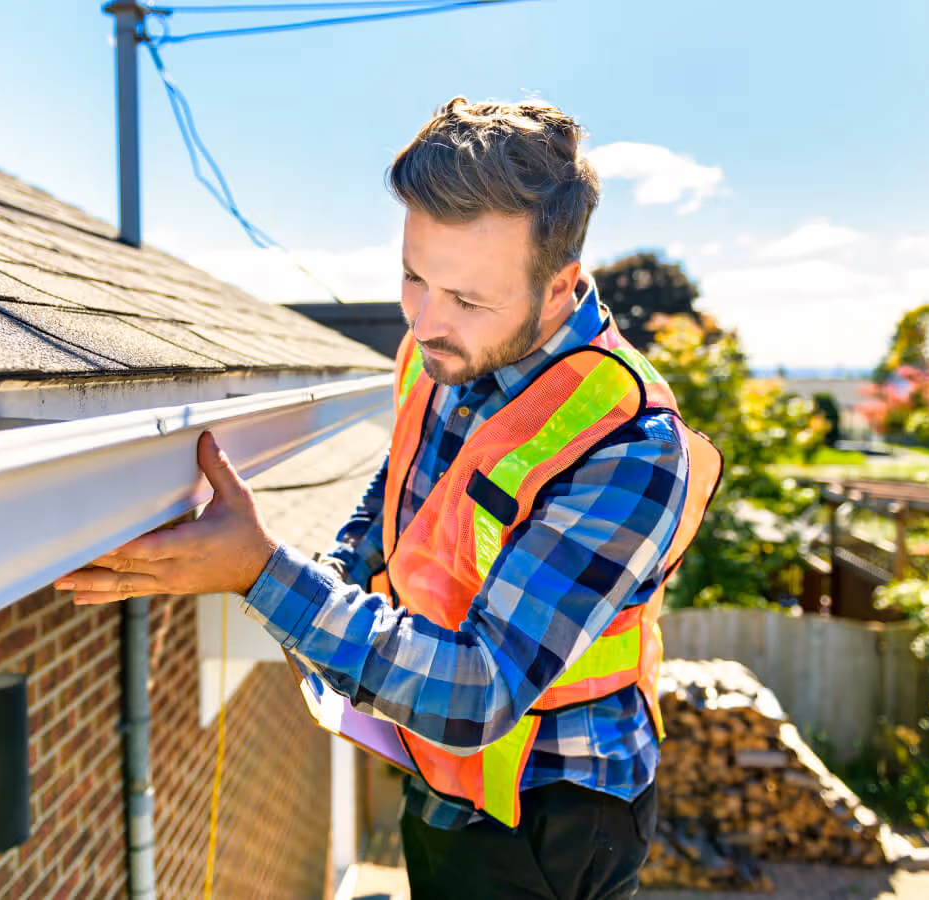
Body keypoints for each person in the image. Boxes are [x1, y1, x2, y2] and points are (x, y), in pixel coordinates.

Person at [56, 96, 720, 900]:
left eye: (468, 299)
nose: (427, 320)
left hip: (551, 814)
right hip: (439, 773)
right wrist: (335, 571)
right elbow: (402, 481)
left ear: (559, 288)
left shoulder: (630, 446)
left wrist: (262, 574)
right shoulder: (441, 349)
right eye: (413, 276)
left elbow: (478, 692)